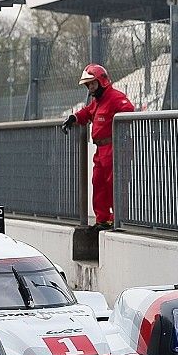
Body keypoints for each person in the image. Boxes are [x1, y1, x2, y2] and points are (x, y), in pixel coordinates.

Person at [61, 63, 135, 230]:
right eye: (89, 85)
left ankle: (118, 220)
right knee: (99, 182)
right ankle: (103, 219)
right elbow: (87, 112)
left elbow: (128, 111)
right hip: (101, 149)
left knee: (115, 184)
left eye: (93, 84)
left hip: (114, 148)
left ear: (102, 81)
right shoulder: (98, 101)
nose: (91, 89)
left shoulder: (115, 97)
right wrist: (74, 117)